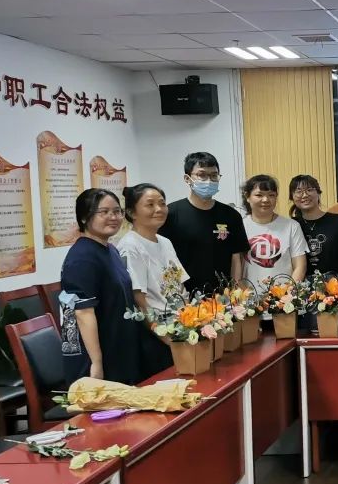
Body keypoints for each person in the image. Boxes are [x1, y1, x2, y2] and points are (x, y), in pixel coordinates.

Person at [60, 189, 141, 385]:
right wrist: (96, 363)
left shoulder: (109, 249)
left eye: (117, 211)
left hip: (116, 343)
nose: (113, 217)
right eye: (104, 212)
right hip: (95, 353)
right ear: (84, 217)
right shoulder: (82, 257)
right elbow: (82, 313)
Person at [117, 183, 188, 378]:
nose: (159, 209)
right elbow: (139, 299)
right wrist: (166, 338)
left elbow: (179, 284)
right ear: (131, 212)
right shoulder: (130, 246)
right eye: (150, 204)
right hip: (155, 334)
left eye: (162, 203)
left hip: (179, 327)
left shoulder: (164, 241)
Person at [159, 152, 250, 295]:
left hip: (223, 298)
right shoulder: (171, 214)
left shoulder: (231, 215)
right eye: (202, 175)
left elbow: (236, 258)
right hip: (184, 296)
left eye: (214, 175)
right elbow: (164, 258)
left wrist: (234, 292)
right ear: (187, 178)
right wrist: (177, 296)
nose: (209, 181)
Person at [241, 175, 308, 288]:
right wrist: (242, 294)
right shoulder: (239, 226)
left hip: (283, 296)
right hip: (247, 295)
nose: (266, 200)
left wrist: (287, 294)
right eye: (259, 195)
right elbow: (236, 267)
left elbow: (300, 266)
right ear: (247, 196)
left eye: (271, 195)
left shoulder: (292, 226)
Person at [290, 174, 338, 278]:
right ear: (292, 197)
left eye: (309, 190)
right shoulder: (291, 225)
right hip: (299, 285)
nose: (304, 195)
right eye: (299, 191)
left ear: (318, 193)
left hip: (335, 284)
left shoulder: (337, 221)